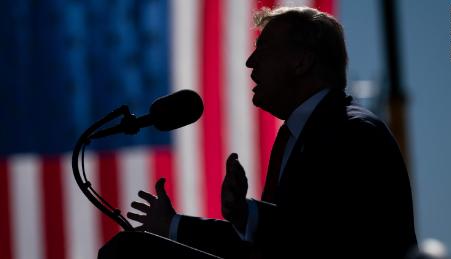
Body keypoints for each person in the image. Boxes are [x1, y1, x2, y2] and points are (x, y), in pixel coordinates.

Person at [127, 6, 418, 259]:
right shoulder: (293, 138)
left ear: (301, 62)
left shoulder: (354, 132)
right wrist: (173, 225)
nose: (250, 63)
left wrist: (247, 214)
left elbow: (324, 239)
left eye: (263, 49)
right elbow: (266, 247)